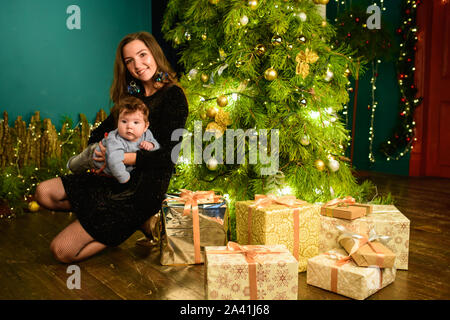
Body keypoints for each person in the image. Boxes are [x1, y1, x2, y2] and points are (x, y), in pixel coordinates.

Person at [34, 31, 189, 263]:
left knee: (62, 251)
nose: (138, 65)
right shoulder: (132, 93)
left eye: (142, 55)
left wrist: (126, 158)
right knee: (43, 193)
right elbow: (99, 131)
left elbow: (168, 156)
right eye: (129, 61)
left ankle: (130, 219)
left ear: (154, 53)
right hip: (111, 177)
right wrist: (100, 151)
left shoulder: (173, 96)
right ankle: (127, 222)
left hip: (141, 188)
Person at [66, 96, 160, 184]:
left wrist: (151, 145)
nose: (129, 126)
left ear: (145, 126)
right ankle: (70, 164)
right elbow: (114, 161)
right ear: (118, 122)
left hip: (111, 169)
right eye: (124, 121)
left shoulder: (147, 134)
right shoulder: (115, 140)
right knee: (78, 163)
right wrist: (124, 177)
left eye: (136, 122)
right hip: (94, 155)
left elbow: (156, 146)